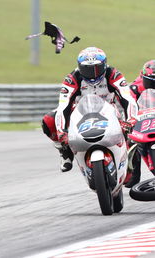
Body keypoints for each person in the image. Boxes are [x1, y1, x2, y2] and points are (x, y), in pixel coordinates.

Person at [41, 47, 140, 187]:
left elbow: (127, 99)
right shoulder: (72, 78)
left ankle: (130, 162)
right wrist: (61, 132)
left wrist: (130, 121)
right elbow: (63, 106)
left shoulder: (114, 74)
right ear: (80, 67)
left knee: (133, 133)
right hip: (80, 113)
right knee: (48, 120)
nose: (93, 74)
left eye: (97, 68)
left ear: (104, 65)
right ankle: (65, 151)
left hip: (109, 111)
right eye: (87, 69)